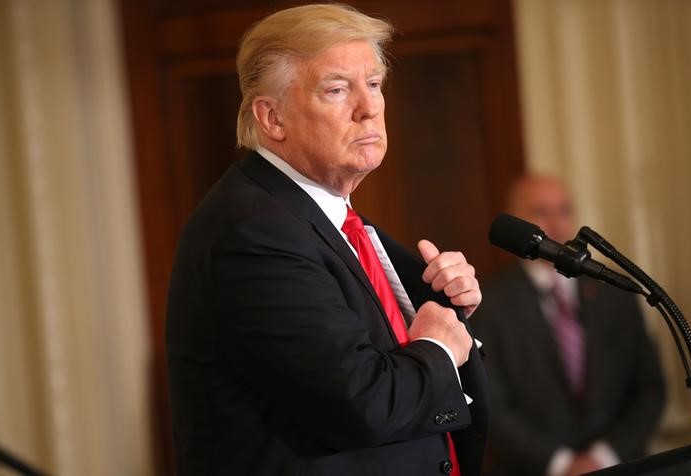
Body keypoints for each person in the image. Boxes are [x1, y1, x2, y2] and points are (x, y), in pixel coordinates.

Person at [165, 4, 489, 476]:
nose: (370, 106)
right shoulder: (253, 232)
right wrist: (439, 346)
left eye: (374, 84)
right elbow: (362, 403)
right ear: (272, 118)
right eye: (337, 90)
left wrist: (446, 313)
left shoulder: (326, 221)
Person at [472, 175, 665, 476]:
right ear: (516, 221)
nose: (556, 223)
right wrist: (561, 465)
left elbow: (650, 388)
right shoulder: (487, 301)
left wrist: (603, 456)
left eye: (564, 210)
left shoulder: (614, 290)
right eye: (540, 212)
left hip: (622, 464)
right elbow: (492, 404)